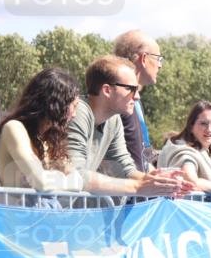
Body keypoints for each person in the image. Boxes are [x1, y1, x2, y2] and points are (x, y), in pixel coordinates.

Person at [67, 55, 184, 196]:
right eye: (131, 89)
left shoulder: (114, 119)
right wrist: (138, 187)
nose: (137, 97)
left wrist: (159, 182)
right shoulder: (78, 112)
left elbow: (125, 168)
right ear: (107, 90)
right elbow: (75, 175)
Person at [0, 67, 85, 204]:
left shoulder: (50, 140)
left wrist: (54, 179)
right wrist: (61, 178)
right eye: (74, 106)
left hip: (34, 221)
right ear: (56, 103)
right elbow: (41, 183)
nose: (75, 114)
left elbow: (78, 181)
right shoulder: (14, 128)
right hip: (8, 221)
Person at [113, 29, 163, 170]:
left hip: (138, 187)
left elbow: (140, 153)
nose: (160, 65)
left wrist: (158, 174)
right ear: (144, 59)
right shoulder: (116, 99)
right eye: (158, 58)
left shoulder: (135, 101)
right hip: (124, 189)